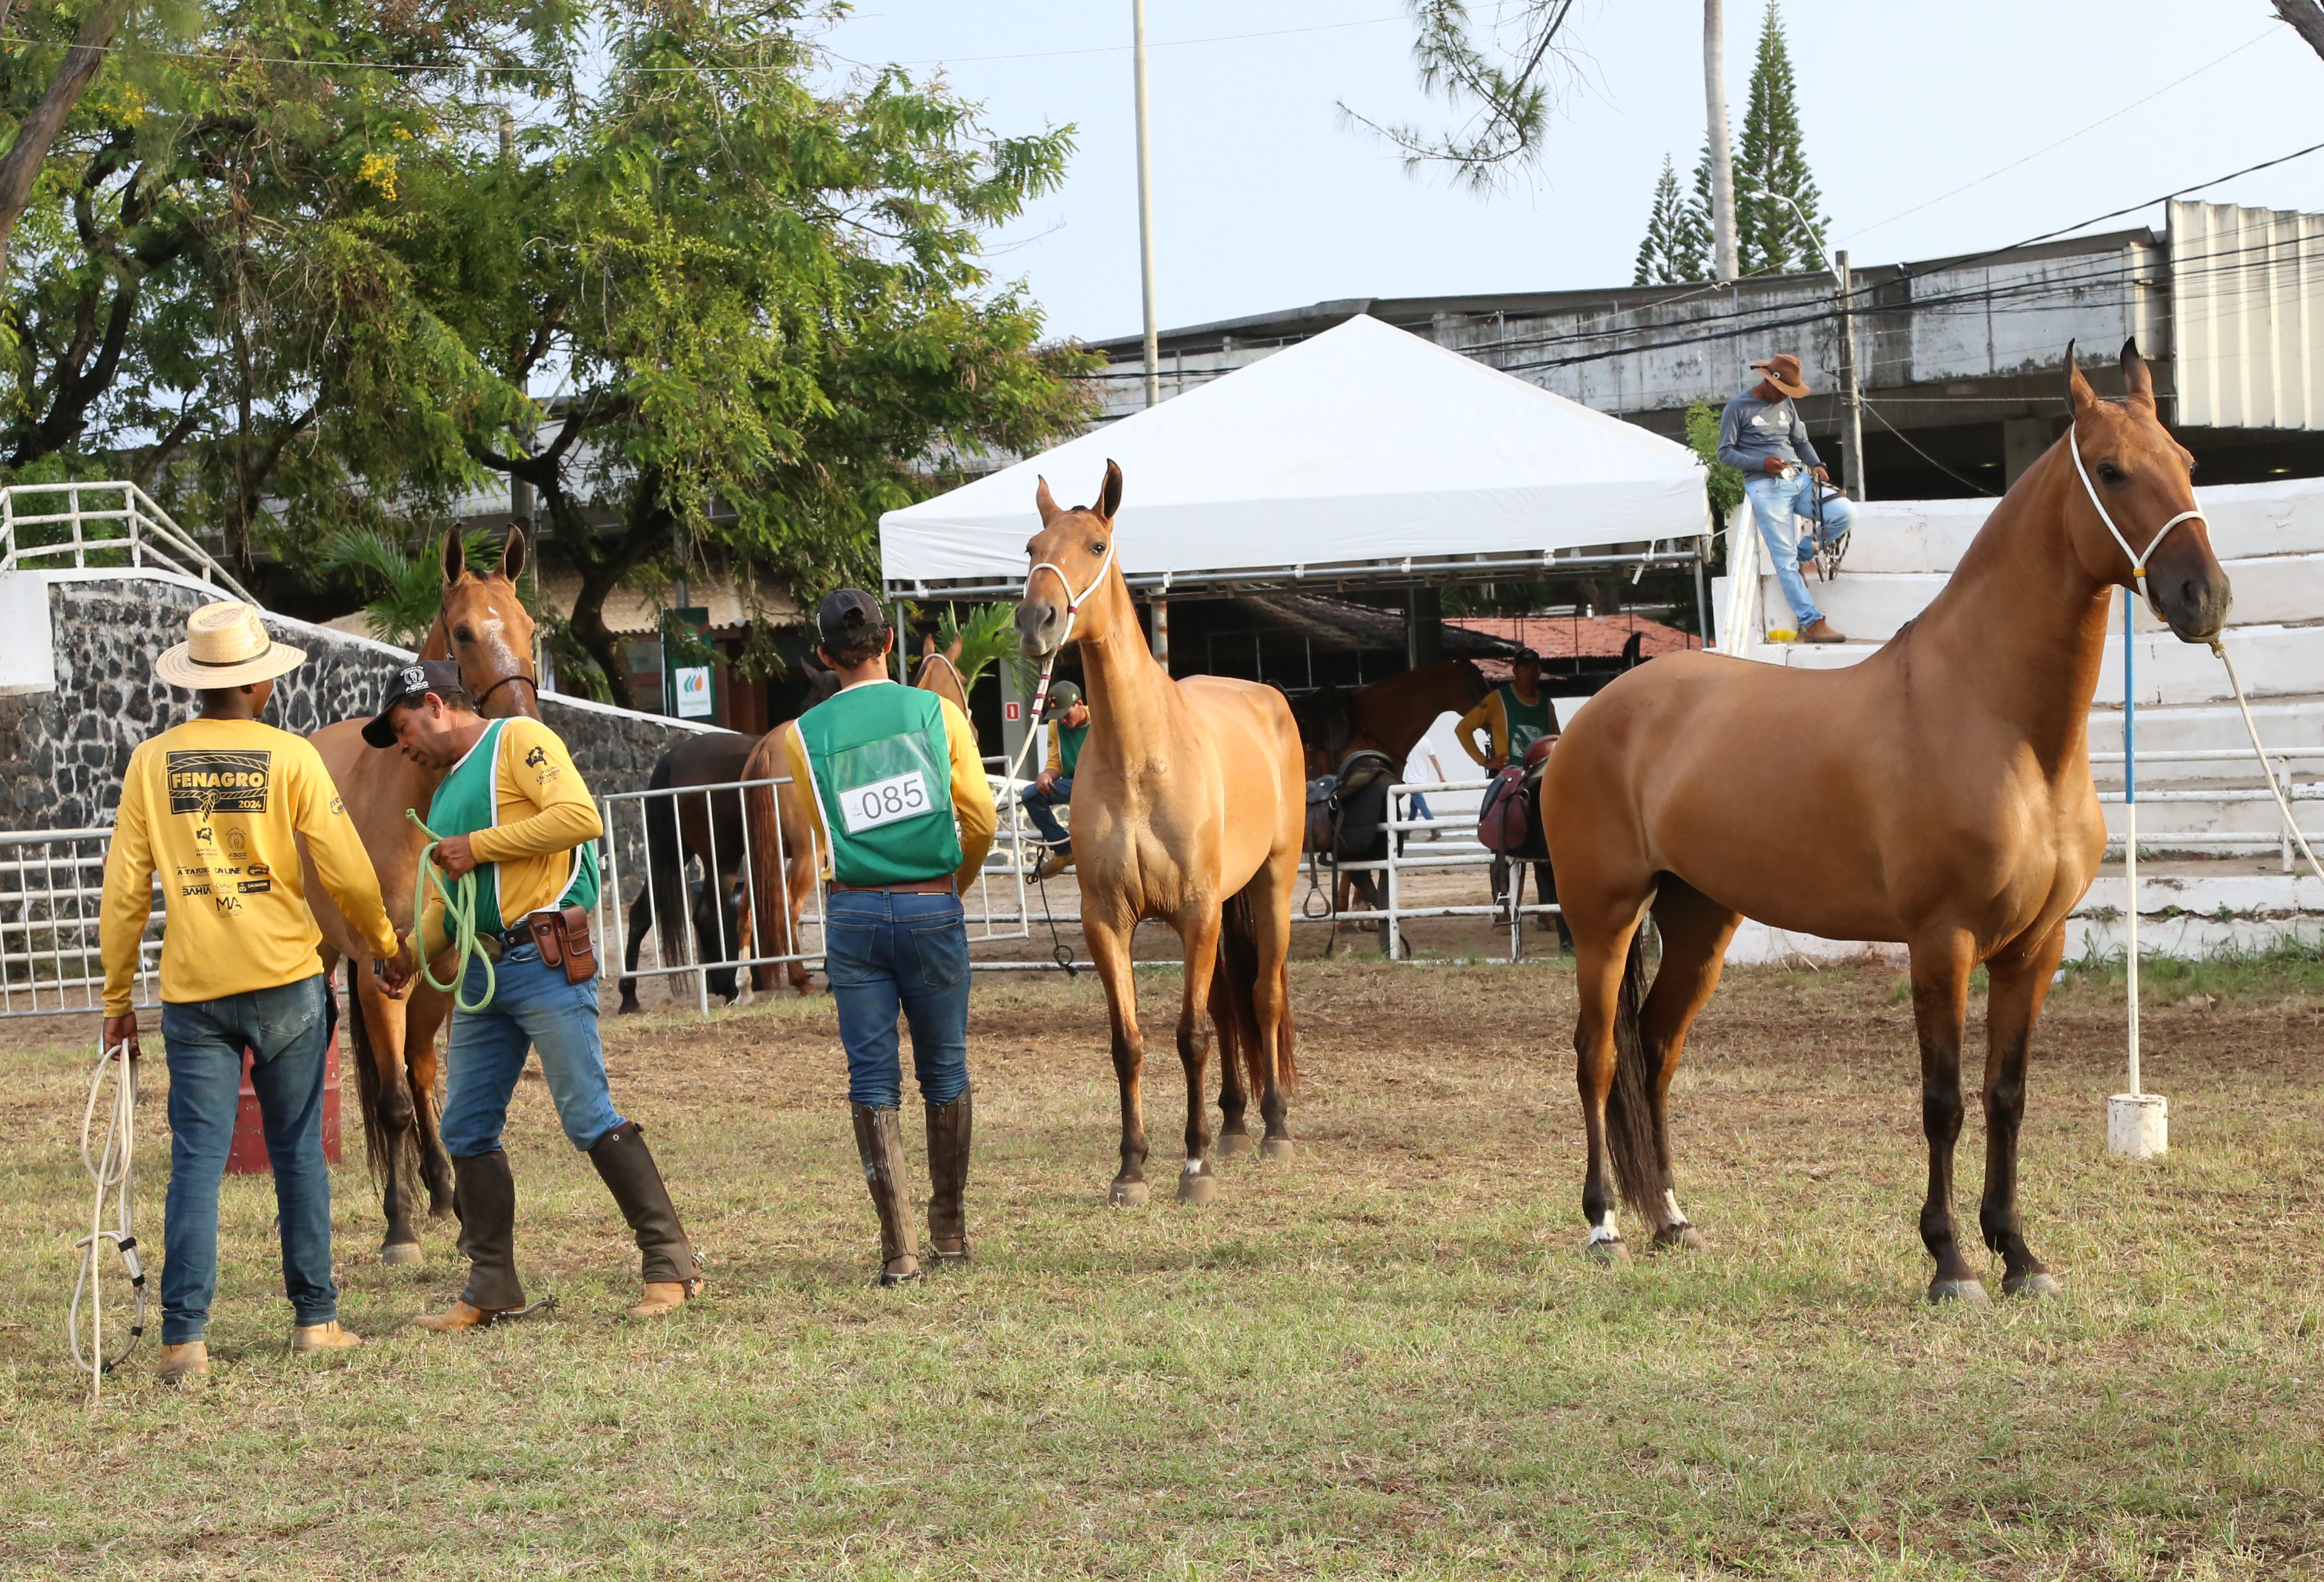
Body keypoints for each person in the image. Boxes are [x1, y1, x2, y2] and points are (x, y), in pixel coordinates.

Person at [98, 601, 418, 1385]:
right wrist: (383, 944)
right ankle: (315, 1320)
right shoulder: (291, 759)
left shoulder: (150, 763)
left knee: (196, 1165)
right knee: (298, 1155)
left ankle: (185, 1342)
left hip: (194, 994)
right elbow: (345, 867)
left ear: (196, 687)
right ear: (260, 688)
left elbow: (124, 893)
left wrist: (115, 999)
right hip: (284, 983)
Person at [365, 660, 700, 1329]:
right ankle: (491, 1287)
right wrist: (408, 954)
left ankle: (670, 1264)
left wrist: (478, 846)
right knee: (463, 1127)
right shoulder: (448, 787)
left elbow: (579, 818)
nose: (403, 746)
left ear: (435, 706)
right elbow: (448, 901)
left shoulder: (517, 740)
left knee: (586, 1112)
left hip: (545, 958)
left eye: (404, 730)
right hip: (485, 971)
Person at [785, 590, 995, 1286]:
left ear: (823, 656)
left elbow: (816, 833)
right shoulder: (937, 713)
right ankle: (951, 1233)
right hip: (933, 906)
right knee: (947, 1070)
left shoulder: (801, 735)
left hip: (853, 918)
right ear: (886, 644)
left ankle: (899, 1248)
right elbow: (980, 819)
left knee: (871, 1077)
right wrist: (947, 885)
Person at [1719, 352, 1856, 644]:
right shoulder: (1738, 407)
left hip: (1799, 478)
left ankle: (1803, 553)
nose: (1785, 398)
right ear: (1769, 382)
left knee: (1843, 513)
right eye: (1784, 392)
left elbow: (1800, 440)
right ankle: (1812, 622)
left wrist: (1817, 464)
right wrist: (1761, 464)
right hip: (1764, 485)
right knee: (1784, 561)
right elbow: (1725, 453)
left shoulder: (1786, 403)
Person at [1454, 648, 1569, 944]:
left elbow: (1558, 740)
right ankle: (1504, 907)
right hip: (1509, 783)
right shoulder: (1497, 700)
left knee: (1546, 847)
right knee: (1503, 843)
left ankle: (1547, 910)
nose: (1532, 672)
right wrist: (1485, 760)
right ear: (1515, 670)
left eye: (1535, 667)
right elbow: (1464, 728)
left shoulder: (1546, 704)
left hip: (1542, 782)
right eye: (1526, 667)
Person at [1020, 679, 1087, 881]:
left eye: (1067, 714)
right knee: (1031, 795)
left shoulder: (1101, 720)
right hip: (1072, 784)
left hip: (1099, 785)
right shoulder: (1054, 725)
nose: (1064, 720)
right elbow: (1055, 763)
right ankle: (1063, 849)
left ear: (1080, 704)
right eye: (1060, 716)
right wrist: (1045, 776)